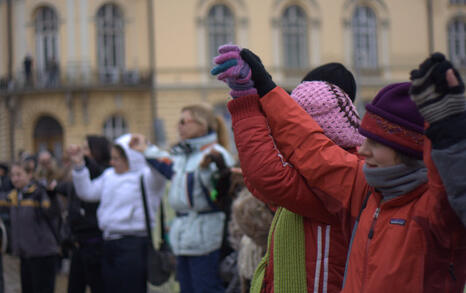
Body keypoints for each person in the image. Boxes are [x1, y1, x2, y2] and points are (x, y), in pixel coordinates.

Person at [223, 48, 465, 292]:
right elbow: (310, 146)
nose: (363, 149)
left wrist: (450, 135)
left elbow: (457, 188)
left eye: (377, 143)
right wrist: (265, 88)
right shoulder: (366, 190)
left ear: (408, 150)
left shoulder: (433, 208)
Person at [212, 44, 365, 292]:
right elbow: (260, 178)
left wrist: (248, 102)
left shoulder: (339, 180)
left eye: (287, 122)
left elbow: (269, 177)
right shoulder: (325, 170)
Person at [130, 104, 235, 293]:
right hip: (185, 237)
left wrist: (210, 172)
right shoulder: (185, 156)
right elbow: (164, 161)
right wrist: (144, 147)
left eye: (183, 121)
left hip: (207, 236)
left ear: (202, 125)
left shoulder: (217, 155)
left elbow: (220, 196)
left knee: (206, 288)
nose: (178, 126)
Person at [69, 134, 166, 293]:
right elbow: (87, 192)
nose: (111, 162)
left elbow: (161, 170)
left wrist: (148, 150)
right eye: (111, 158)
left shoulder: (146, 177)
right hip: (108, 242)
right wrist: (79, 167)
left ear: (131, 158)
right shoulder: (109, 176)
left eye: (117, 159)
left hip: (133, 243)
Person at [55, 135, 110, 293]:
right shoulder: (81, 172)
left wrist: (82, 161)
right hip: (79, 241)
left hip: (95, 242)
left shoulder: (105, 173)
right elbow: (72, 190)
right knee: (74, 287)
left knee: (98, 286)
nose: (83, 152)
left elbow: (95, 170)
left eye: (87, 148)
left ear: (97, 150)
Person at [0, 160, 60, 293]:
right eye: (12, 175)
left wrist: (52, 194)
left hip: (43, 254)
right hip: (25, 254)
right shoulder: (14, 195)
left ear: (30, 174)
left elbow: (53, 213)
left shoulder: (39, 193)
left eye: (19, 174)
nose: (15, 179)